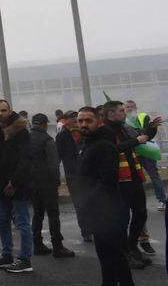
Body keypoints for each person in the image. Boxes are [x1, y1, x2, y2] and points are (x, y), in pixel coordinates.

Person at [76, 106, 134, 286]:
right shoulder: (89, 142)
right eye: (81, 121)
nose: (84, 124)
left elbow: (106, 181)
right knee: (107, 257)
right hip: (99, 211)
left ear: (98, 121)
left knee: (115, 257)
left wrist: (86, 199)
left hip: (109, 212)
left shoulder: (104, 145)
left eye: (88, 120)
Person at [0, 99, 35, 274]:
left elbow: (25, 159)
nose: (0, 114)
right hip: (0, 181)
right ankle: (6, 254)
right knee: (3, 219)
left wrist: (14, 182)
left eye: (3, 110)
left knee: (22, 222)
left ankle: (24, 259)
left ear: (10, 110)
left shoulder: (22, 131)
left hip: (18, 183)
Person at [102, 101, 152, 268]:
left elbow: (141, 137)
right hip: (119, 181)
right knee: (122, 219)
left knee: (141, 213)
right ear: (110, 114)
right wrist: (136, 141)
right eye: (121, 111)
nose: (124, 113)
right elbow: (112, 149)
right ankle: (125, 253)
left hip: (134, 176)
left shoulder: (124, 127)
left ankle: (131, 247)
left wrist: (150, 128)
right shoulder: (105, 131)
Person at [29, 113, 74, 257]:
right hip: (47, 183)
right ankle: (57, 246)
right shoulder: (47, 140)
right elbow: (53, 164)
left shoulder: (26, 139)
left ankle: (37, 244)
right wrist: (56, 181)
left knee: (37, 214)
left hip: (32, 183)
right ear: (44, 124)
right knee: (53, 214)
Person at [56, 110, 90, 242]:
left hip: (87, 172)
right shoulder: (62, 135)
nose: (75, 120)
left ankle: (94, 226)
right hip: (72, 174)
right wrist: (56, 174)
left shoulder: (85, 132)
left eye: (76, 117)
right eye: (72, 118)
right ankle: (86, 231)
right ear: (66, 120)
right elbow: (57, 155)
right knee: (79, 203)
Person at [125, 100, 165, 212]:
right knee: (135, 179)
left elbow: (148, 134)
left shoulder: (143, 117)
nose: (129, 109)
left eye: (131, 107)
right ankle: (138, 203)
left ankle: (162, 200)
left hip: (146, 151)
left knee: (154, 176)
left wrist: (150, 128)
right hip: (133, 152)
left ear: (136, 107)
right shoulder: (124, 121)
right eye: (127, 107)